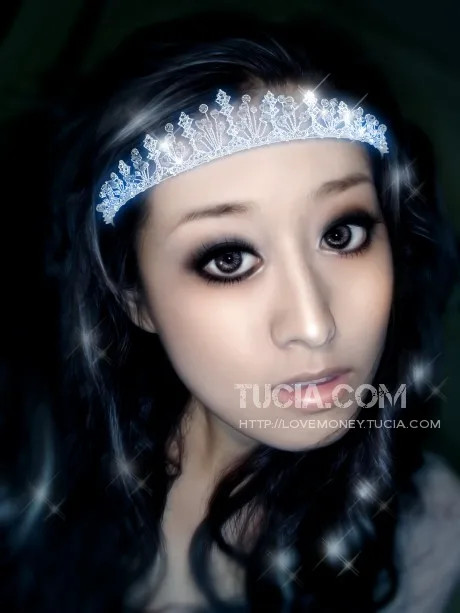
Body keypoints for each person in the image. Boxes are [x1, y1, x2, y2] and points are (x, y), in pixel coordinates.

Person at [1, 9, 459, 613]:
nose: (313, 324)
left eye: (342, 233)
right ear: (135, 296)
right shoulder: (26, 474)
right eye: (228, 259)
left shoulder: (429, 530)